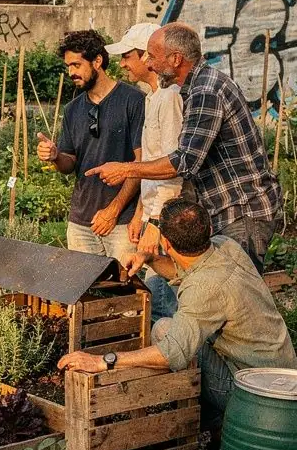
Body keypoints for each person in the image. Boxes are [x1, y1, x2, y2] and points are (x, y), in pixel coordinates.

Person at [59, 200, 297, 450]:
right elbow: (180, 270)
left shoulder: (205, 288)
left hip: (253, 396)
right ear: (207, 228)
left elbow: (171, 354)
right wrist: (149, 257)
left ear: (167, 243)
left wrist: (104, 360)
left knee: (164, 330)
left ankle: (219, 438)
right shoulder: (225, 246)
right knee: (162, 288)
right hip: (282, 377)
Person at [87, 23, 284, 273]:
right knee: (222, 292)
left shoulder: (205, 91)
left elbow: (184, 162)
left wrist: (125, 170)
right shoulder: (194, 87)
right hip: (228, 209)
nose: (151, 63)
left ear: (176, 59)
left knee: (236, 293)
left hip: (242, 209)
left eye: (154, 56)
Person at [36, 29, 144, 261]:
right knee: (83, 292)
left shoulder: (133, 101)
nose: (71, 72)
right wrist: (55, 155)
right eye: (68, 66)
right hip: (81, 223)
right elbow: (69, 163)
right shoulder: (73, 109)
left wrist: (113, 211)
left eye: (76, 65)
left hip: (122, 223)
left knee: (127, 292)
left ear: (97, 61)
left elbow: (141, 164)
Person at [104, 22, 182, 317]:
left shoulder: (170, 98)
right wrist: (139, 213)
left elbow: (174, 168)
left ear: (147, 58)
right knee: (154, 300)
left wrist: (157, 222)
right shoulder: (152, 98)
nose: (122, 64)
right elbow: (151, 166)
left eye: (127, 56)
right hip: (151, 214)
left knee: (162, 305)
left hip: (166, 218)